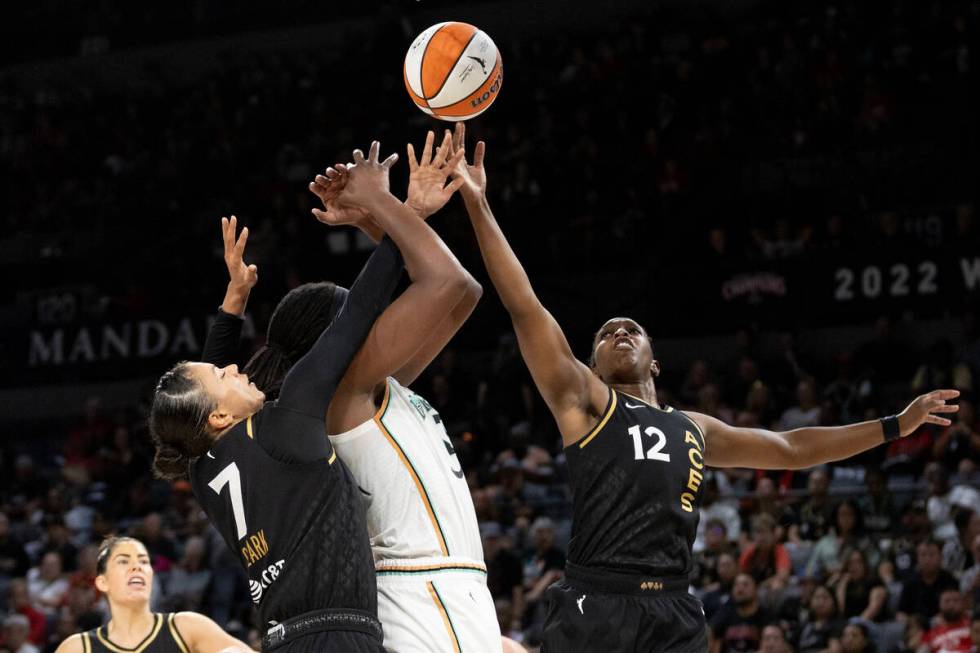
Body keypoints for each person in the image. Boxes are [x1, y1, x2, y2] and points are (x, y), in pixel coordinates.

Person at [451, 120, 961, 653]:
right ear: (592, 365)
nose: (620, 333)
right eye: (606, 333)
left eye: (633, 330)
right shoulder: (585, 402)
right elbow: (524, 303)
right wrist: (479, 205)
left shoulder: (693, 428)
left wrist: (896, 425)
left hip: (674, 607)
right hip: (598, 600)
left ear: (655, 364)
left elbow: (791, 448)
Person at [195, 134, 524, 652]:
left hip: (454, 587)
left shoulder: (375, 390)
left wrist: (386, 219)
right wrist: (382, 203)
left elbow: (463, 296)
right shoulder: (342, 397)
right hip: (415, 594)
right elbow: (444, 282)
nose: (378, 315)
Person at [149, 142, 442, 652]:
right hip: (334, 637)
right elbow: (356, 316)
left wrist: (233, 302)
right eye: (224, 373)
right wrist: (406, 212)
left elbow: (196, 406)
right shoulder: (283, 424)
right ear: (219, 414)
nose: (236, 365)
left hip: (287, 638)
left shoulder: (204, 470)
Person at [53, 537, 249, 653]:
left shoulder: (187, 627)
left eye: (143, 561)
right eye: (123, 561)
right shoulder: (78, 647)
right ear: (103, 582)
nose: (137, 567)